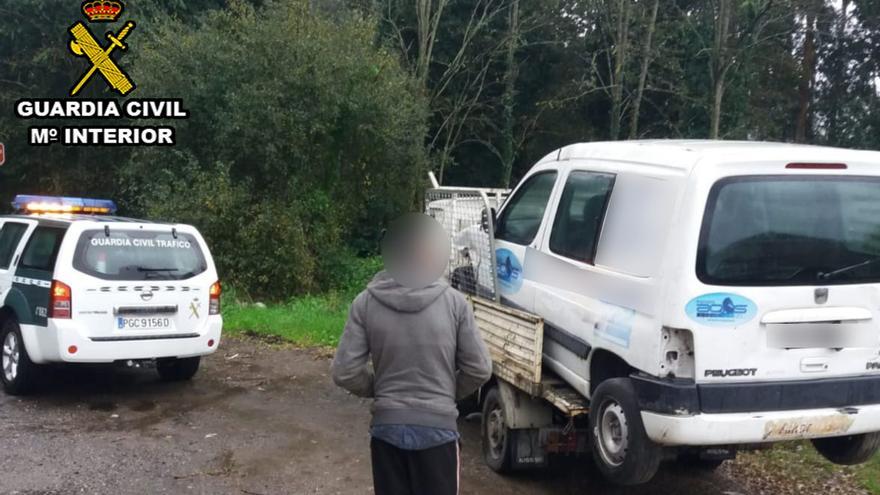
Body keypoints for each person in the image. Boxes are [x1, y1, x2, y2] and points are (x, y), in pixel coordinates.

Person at [332, 214, 492, 495]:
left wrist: (379, 389)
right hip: (438, 431)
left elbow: (344, 371)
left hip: (387, 429)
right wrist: (445, 393)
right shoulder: (455, 303)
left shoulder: (365, 303)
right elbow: (479, 368)